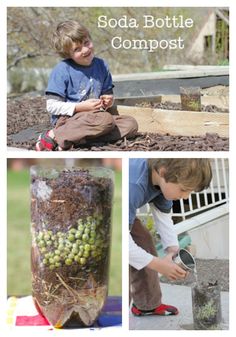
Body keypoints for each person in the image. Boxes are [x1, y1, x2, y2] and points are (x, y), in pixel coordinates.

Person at [36, 20, 138, 151]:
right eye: (77, 49)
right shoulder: (62, 70)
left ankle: (74, 140)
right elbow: (51, 106)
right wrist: (79, 107)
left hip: (95, 118)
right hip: (69, 120)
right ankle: (53, 135)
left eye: (86, 43)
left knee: (130, 124)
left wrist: (108, 100)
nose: (85, 49)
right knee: (105, 121)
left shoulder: (101, 65)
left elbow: (107, 93)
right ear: (68, 54)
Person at [129, 158, 212, 316]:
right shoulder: (133, 185)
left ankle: (147, 305)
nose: (186, 197)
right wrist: (158, 265)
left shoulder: (162, 183)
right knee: (122, 258)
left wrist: (172, 251)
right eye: (183, 189)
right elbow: (123, 244)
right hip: (104, 211)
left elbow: (163, 217)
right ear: (163, 172)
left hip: (122, 212)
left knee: (144, 240)